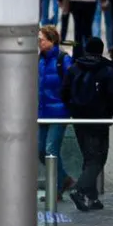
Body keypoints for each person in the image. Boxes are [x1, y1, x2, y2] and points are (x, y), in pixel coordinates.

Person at [64, 36, 113, 211]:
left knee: (88, 157)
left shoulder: (74, 67)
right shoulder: (107, 69)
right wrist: (107, 114)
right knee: (98, 158)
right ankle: (79, 190)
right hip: (99, 121)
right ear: (101, 50)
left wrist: (74, 111)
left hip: (79, 120)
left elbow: (64, 92)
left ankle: (92, 198)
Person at [36, 25, 73, 193]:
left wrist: (67, 104)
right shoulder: (40, 59)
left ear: (51, 40)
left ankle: (57, 189)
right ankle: (64, 178)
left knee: (51, 149)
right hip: (43, 111)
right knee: (41, 150)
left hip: (59, 112)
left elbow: (71, 83)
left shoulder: (62, 59)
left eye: (41, 40)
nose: (39, 43)